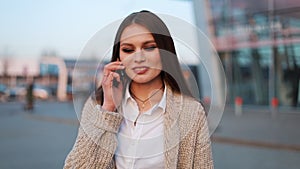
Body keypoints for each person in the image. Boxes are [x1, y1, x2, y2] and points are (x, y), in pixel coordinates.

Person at [64, 10, 213, 169]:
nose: (139, 58)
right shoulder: (98, 104)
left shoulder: (191, 113)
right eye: (128, 50)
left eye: (149, 47)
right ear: (118, 57)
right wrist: (108, 109)